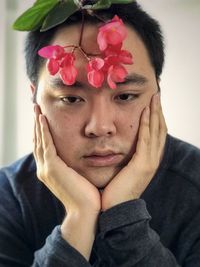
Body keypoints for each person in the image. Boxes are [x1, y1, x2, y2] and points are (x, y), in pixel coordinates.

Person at [0, 1, 200, 266]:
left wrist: (124, 213)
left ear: (157, 94)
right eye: (71, 99)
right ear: (34, 98)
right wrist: (79, 217)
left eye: (126, 95)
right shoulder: (8, 197)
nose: (100, 127)